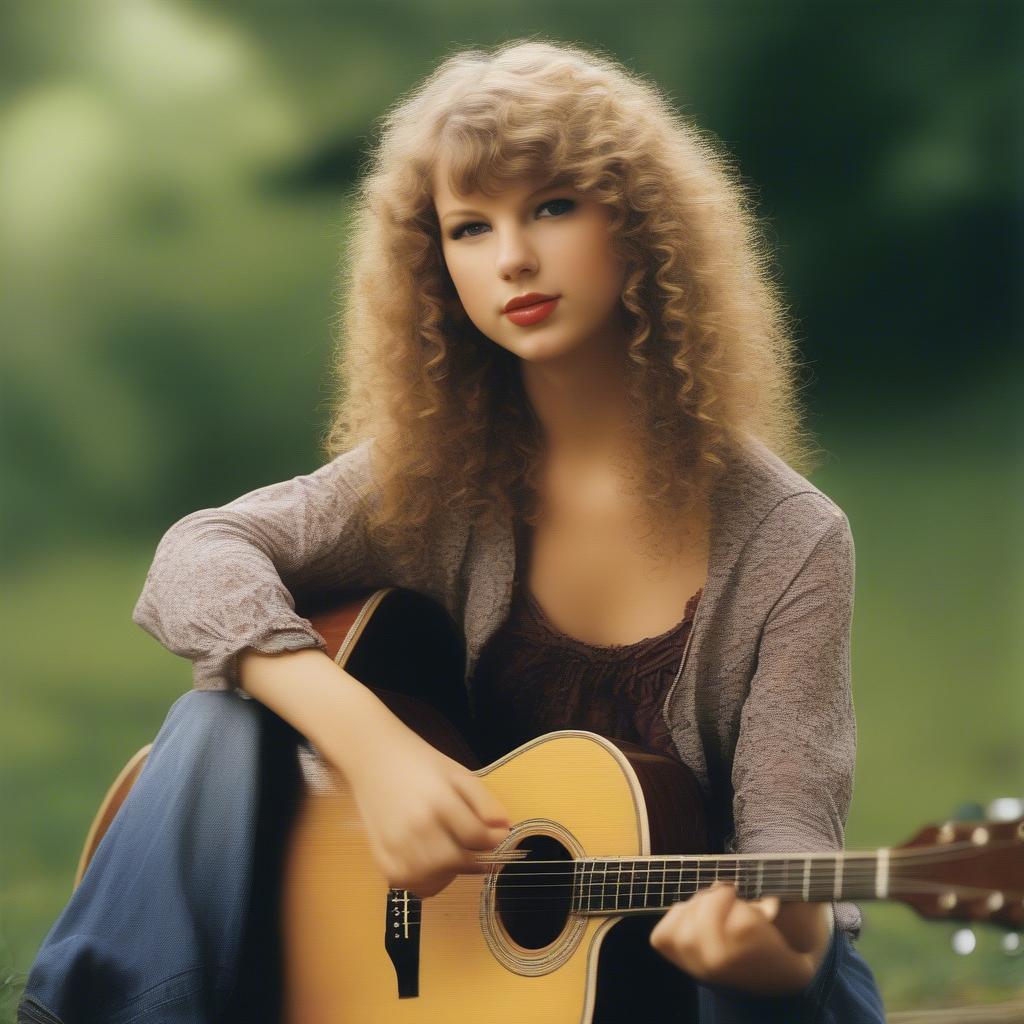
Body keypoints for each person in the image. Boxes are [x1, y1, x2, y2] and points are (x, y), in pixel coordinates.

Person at [18, 38, 886, 1023]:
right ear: (436, 270)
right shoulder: (439, 477)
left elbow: (790, 831)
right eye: (469, 227)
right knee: (223, 718)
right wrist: (371, 746)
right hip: (468, 973)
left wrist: (778, 947)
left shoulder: (792, 539)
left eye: (552, 206)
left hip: (685, 985)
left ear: (643, 227)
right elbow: (195, 557)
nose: (511, 256)